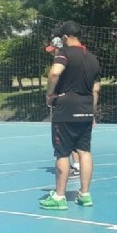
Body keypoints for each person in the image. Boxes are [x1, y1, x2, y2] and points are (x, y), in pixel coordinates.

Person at [40, 21, 101, 210]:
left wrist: (50, 94)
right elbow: (96, 89)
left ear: (65, 37)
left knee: (63, 153)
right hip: (85, 108)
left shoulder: (64, 54)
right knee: (84, 151)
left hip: (65, 108)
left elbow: (54, 73)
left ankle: (59, 196)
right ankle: (85, 194)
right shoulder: (92, 58)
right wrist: (92, 112)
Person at [45, 35, 81, 179]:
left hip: (63, 103)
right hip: (75, 102)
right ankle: (78, 166)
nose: (52, 52)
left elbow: (55, 76)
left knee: (64, 138)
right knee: (74, 135)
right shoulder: (74, 59)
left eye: (54, 49)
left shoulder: (61, 60)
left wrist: (50, 94)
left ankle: (74, 167)